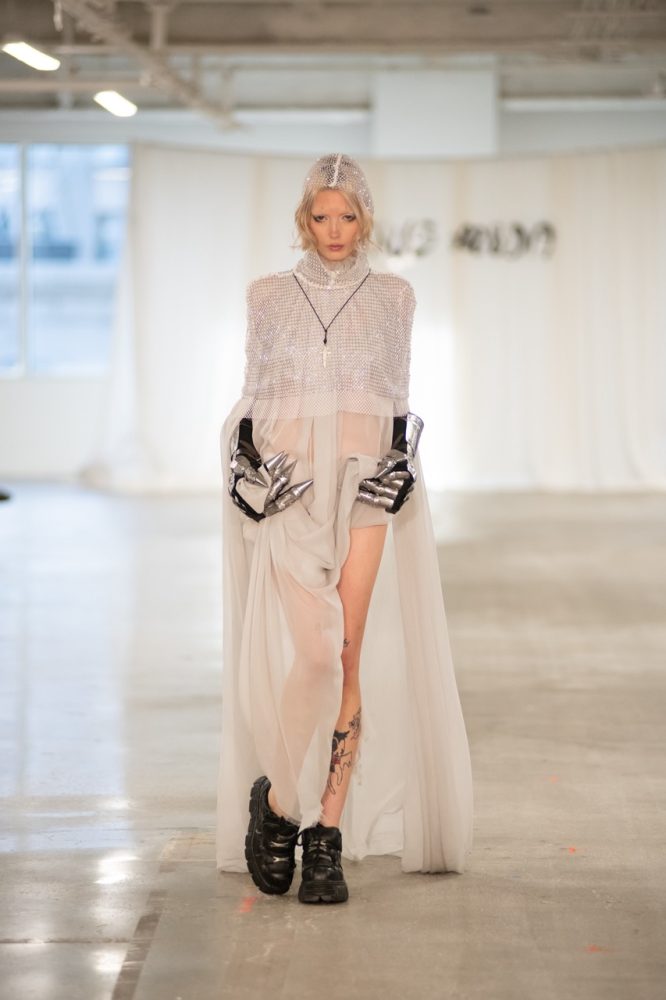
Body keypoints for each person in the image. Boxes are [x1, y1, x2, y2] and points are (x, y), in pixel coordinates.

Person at [216, 153, 473, 904]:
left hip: (363, 487)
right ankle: (277, 803)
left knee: (348, 657)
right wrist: (248, 475)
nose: (334, 230)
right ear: (305, 218)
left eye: (347, 216)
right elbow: (253, 399)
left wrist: (400, 467)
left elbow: (397, 402)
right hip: (293, 490)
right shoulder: (268, 294)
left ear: (365, 220)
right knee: (315, 654)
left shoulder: (394, 297)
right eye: (321, 216)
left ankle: (323, 835)